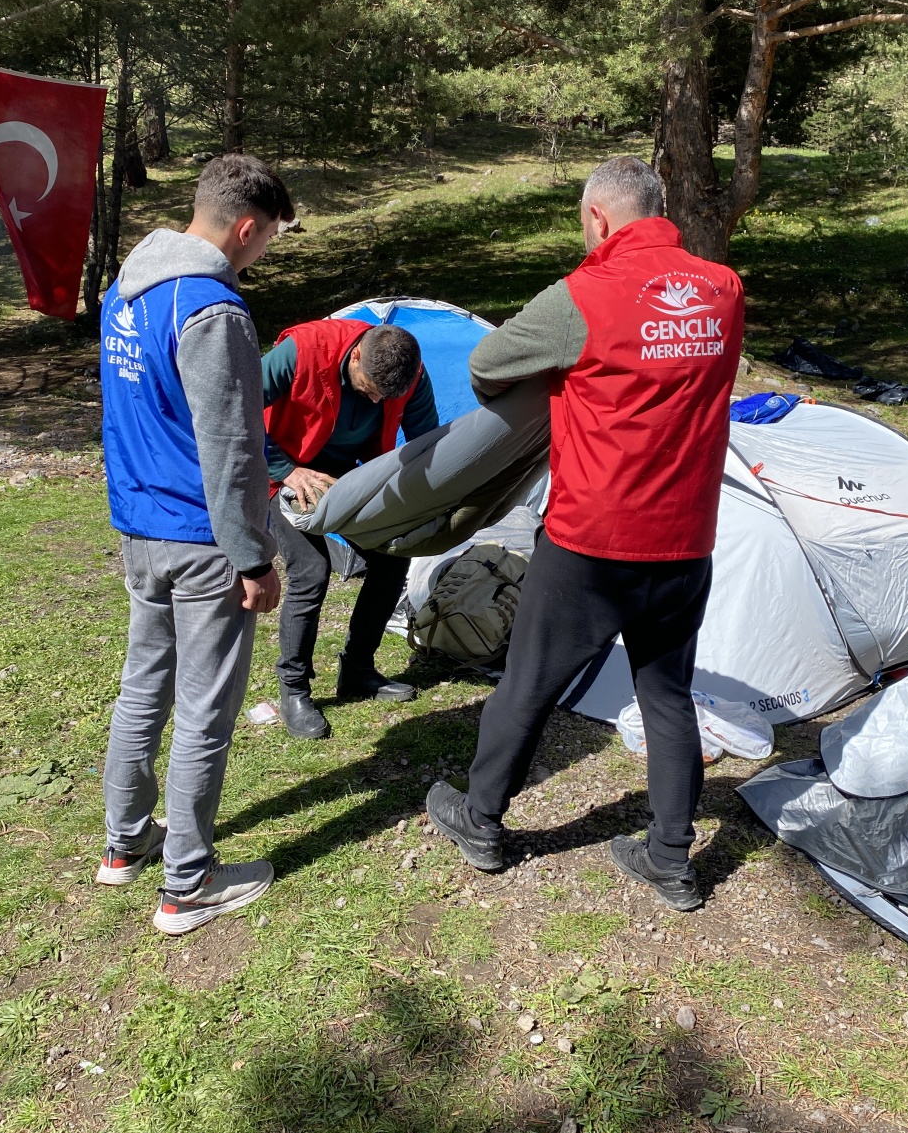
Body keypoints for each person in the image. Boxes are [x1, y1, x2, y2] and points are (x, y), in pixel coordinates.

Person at [427, 156, 744, 912]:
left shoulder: (581, 296)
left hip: (591, 541)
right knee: (667, 696)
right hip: (685, 538)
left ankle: (481, 821)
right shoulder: (724, 290)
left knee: (528, 684)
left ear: (598, 217)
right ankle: (670, 860)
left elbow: (487, 363)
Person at [96, 154, 291, 936]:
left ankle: (124, 844)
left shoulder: (123, 292)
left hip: (139, 528)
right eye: (269, 237)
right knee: (205, 710)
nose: (265, 251)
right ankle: (188, 884)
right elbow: (231, 446)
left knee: (143, 687)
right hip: (202, 541)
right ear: (245, 228)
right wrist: (253, 557)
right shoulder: (214, 310)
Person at [263, 319, 439, 738]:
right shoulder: (301, 352)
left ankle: (358, 670)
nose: (376, 400)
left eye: (385, 397)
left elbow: (428, 445)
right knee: (311, 570)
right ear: (356, 355)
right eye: (369, 389)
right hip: (282, 471)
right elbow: (231, 403)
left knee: (393, 557)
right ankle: (294, 688)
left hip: (348, 474)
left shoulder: (410, 372)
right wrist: (284, 469)